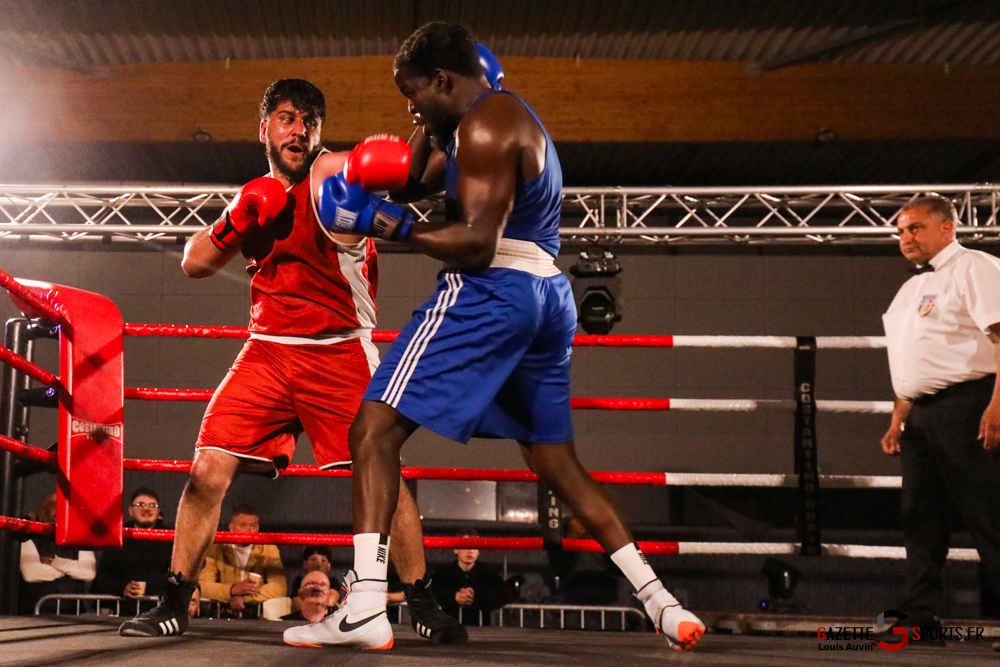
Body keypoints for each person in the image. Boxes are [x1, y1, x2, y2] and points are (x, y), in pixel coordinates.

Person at [282, 23, 705, 651]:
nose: (409, 107)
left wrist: (384, 224)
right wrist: (420, 134)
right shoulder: (484, 121)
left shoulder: (484, 124)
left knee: (372, 429)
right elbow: (415, 177)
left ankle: (367, 606)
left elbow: (475, 245)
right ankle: (662, 603)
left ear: (446, 80)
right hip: (546, 297)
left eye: (414, 93)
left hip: (493, 289)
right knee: (554, 459)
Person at [119, 78, 464, 644]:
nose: (298, 129)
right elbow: (194, 262)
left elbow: (407, 175)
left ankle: (421, 597)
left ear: (319, 131)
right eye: (285, 117)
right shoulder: (253, 193)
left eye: (309, 120)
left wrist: (433, 127)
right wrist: (239, 217)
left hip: (338, 350)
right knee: (206, 471)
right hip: (267, 353)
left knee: (382, 475)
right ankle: (175, 597)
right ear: (265, 128)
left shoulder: (336, 175)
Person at [880, 195, 1000, 642]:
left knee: (988, 512)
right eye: (901, 231)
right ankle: (920, 615)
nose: (906, 238)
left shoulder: (976, 268)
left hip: (970, 404)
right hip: (921, 415)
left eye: (915, 228)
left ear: (948, 228)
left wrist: (997, 405)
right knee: (920, 517)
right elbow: (912, 361)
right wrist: (898, 418)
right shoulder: (910, 288)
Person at [197, 505, 286, 613]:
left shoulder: (268, 549)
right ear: (231, 527)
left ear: (258, 528)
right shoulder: (216, 548)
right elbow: (204, 586)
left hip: (257, 609)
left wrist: (245, 598)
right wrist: (232, 590)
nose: (249, 530)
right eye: (243, 525)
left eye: (253, 526)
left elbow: (280, 588)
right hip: (223, 608)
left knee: (281, 602)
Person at [18, 492, 96, 615]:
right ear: (44, 510)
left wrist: (52, 562)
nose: (59, 509)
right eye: (53, 505)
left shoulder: (80, 538)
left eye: (64, 505)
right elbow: (31, 573)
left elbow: (88, 572)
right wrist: (72, 570)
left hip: (75, 614)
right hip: (37, 613)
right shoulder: (29, 537)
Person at [91, 488, 172, 603]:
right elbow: (103, 578)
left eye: (152, 505)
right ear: (130, 510)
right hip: (123, 609)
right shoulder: (118, 538)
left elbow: (179, 577)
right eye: (140, 504)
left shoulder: (171, 538)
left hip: (160, 609)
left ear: (158, 511)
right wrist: (122, 588)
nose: (147, 509)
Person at [431, 530, 509, 625]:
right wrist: (453, 597)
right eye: (466, 546)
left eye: (475, 547)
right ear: (456, 550)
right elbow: (431, 591)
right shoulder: (443, 573)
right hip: (451, 628)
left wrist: (476, 597)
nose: (470, 551)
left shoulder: (489, 574)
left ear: (478, 551)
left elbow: (503, 595)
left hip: (479, 630)